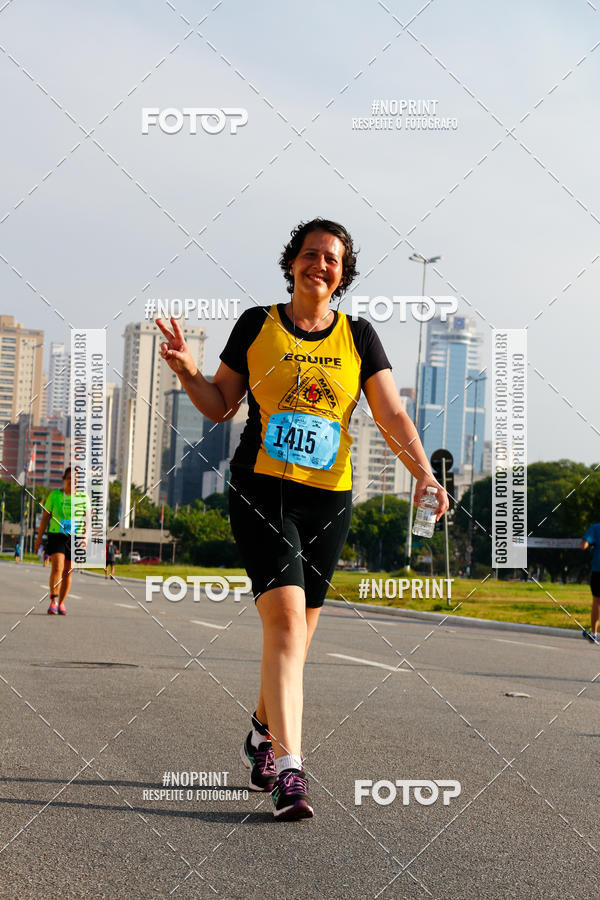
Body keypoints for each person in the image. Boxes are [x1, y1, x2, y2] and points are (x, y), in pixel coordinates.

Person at [155, 217, 448, 821]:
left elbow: (391, 413)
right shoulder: (256, 325)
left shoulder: (360, 337)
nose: (321, 265)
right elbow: (221, 405)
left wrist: (423, 472)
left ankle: (263, 732)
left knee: (299, 637)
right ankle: (291, 770)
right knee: (286, 623)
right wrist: (187, 370)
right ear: (292, 262)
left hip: (328, 499)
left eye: (333, 259)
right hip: (261, 488)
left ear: (344, 273)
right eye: (311, 254)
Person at [35, 467, 82, 615]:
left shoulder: (83, 498)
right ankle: (53, 600)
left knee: (68, 571)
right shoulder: (55, 495)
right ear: (64, 479)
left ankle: (62, 602)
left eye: (75, 479)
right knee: (57, 567)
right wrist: (39, 538)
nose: (72, 481)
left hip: (75, 537)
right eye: (69, 478)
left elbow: (88, 521)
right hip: (57, 535)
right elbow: (45, 518)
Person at [580, 521, 600, 643]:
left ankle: (594, 633)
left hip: (598, 569)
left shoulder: (595, 528)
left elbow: (583, 545)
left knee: (597, 601)